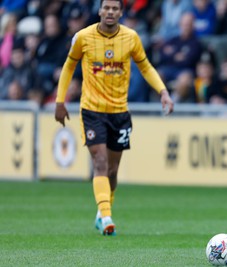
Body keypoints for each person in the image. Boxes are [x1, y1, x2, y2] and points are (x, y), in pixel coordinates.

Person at [54, 0, 174, 236]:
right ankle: (106, 215)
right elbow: (69, 66)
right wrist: (60, 100)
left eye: (114, 8)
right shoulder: (83, 37)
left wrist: (163, 91)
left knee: (112, 170)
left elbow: (146, 66)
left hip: (119, 112)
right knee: (99, 162)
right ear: (99, 11)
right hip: (92, 110)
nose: (110, 12)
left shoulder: (131, 38)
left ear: (121, 12)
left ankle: (102, 212)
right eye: (106, 7)